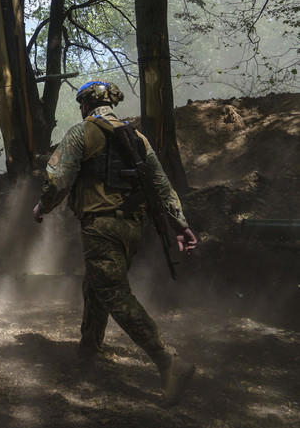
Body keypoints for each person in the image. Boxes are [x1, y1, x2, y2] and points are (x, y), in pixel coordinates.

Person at [31, 80, 199, 407]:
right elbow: (162, 186)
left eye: (81, 106)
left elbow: (57, 179)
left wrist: (42, 207)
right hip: (133, 226)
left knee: (113, 291)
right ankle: (88, 349)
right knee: (97, 283)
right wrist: (182, 226)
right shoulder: (137, 138)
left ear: (85, 105)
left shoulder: (83, 132)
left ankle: (168, 361)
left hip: (101, 225)